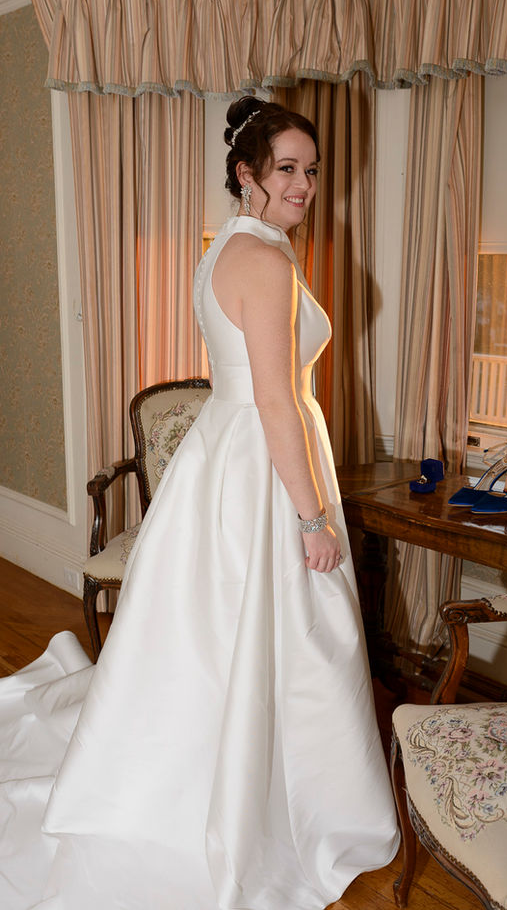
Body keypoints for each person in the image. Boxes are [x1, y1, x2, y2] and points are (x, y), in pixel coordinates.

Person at [0, 96, 399, 910]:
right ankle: (273, 794)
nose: (304, 183)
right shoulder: (269, 262)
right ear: (248, 174)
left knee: (223, 632)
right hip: (263, 463)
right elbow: (280, 404)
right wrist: (312, 519)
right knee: (286, 631)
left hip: (227, 453)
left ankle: (229, 759)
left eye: (312, 169)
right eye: (286, 168)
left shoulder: (227, 249)